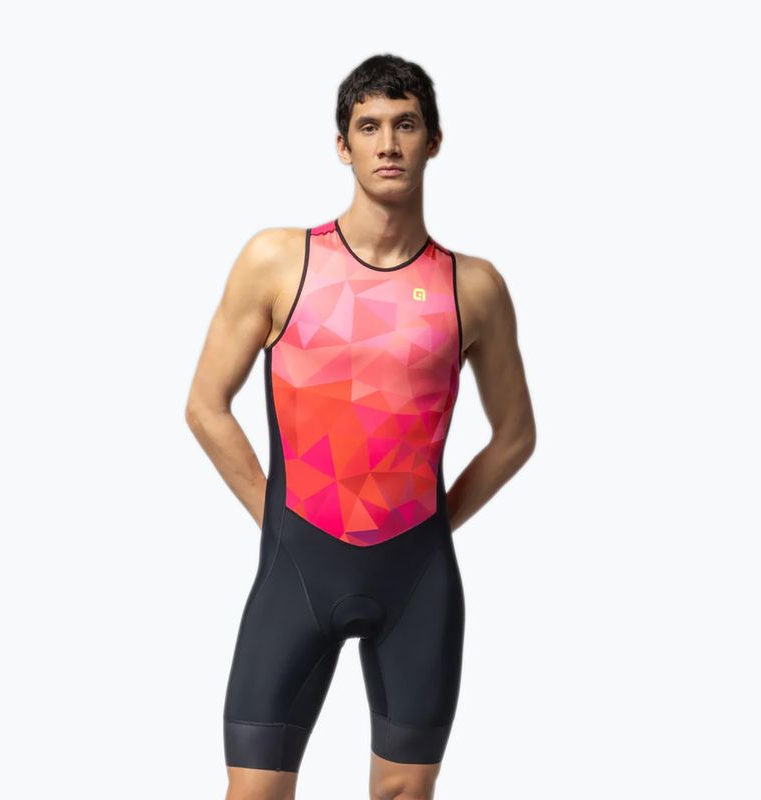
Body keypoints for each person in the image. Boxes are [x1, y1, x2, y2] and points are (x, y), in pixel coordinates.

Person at [185, 53, 536, 800]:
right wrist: (277, 518)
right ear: (342, 146)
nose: (388, 144)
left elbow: (515, 436)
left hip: (419, 586)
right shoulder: (279, 260)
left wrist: (434, 523)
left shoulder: (472, 286)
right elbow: (206, 405)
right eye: (368, 127)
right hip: (296, 573)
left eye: (405, 125)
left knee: (404, 793)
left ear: (433, 140)